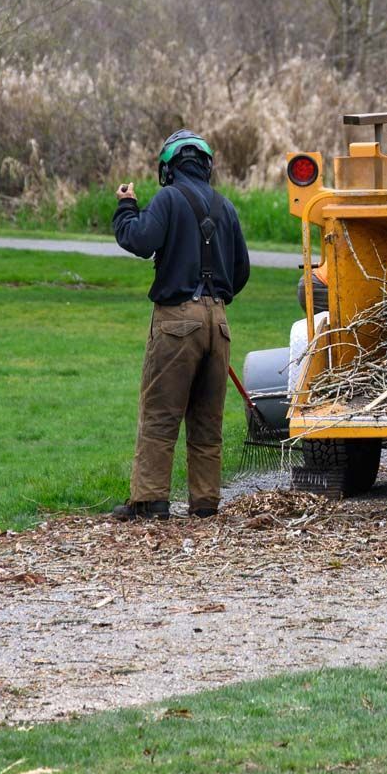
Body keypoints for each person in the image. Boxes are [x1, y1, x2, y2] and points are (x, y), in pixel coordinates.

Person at [109, 129, 252, 521]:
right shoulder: (226, 207)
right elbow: (242, 270)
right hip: (218, 321)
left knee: (161, 413)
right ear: (207, 166)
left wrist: (126, 207)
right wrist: (215, 301)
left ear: (168, 168)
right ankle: (205, 502)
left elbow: (139, 240)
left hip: (176, 320)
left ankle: (151, 500)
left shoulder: (168, 198)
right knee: (208, 419)